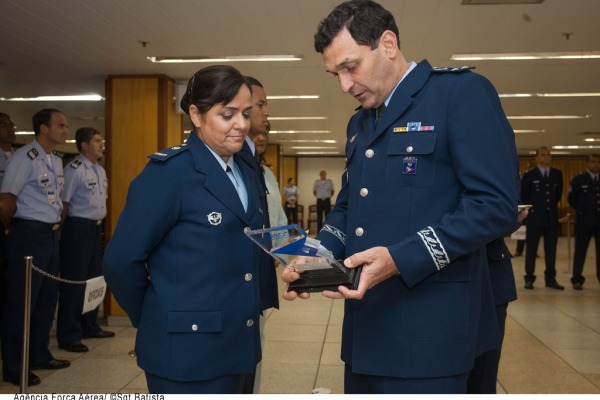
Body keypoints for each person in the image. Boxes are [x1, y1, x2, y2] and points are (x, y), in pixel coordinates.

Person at [282, 0, 518, 394]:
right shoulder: (360, 122)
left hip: (432, 329)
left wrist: (400, 259)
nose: (344, 85)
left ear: (387, 43)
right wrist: (318, 252)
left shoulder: (459, 94)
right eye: (334, 73)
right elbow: (348, 205)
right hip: (367, 325)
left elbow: (494, 206)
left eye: (350, 67)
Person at [102, 65, 264, 394]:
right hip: (187, 351)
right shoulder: (169, 173)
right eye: (227, 114)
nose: (242, 124)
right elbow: (120, 261)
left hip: (238, 342)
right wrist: (155, 314)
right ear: (196, 114)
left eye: (246, 113)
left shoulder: (244, 169)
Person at [0, 108, 71, 387]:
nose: (66, 130)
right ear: (44, 128)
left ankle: (39, 353)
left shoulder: (54, 160)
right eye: (61, 125)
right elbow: (6, 201)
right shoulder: (24, 158)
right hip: (28, 233)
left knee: (46, 299)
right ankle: (14, 365)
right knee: (21, 303)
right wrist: (12, 229)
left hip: (50, 235)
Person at [56, 127, 114, 354]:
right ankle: (69, 334)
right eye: (97, 141)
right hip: (77, 229)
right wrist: (59, 232)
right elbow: (64, 203)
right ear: (84, 145)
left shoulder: (99, 170)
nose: (101, 145)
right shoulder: (74, 170)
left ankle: (89, 324)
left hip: (95, 229)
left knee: (94, 280)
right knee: (75, 283)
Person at [246, 77, 284, 394]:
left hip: (260, 277)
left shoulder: (265, 174)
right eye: (261, 105)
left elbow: (280, 224)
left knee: (254, 351)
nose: (266, 113)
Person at [521, 146, 564, 290]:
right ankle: (529, 278)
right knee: (531, 249)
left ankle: (550, 278)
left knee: (551, 250)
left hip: (551, 218)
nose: (546, 157)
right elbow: (524, 196)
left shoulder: (557, 174)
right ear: (537, 157)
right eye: (543, 154)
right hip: (534, 218)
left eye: (548, 154)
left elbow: (558, 195)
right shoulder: (530, 175)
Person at [568, 154, 600, 290]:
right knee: (580, 251)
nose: (596, 164)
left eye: (598, 162)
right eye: (593, 162)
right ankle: (577, 279)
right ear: (587, 163)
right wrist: (581, 211)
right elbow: (572, 198)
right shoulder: (579, 179)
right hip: (584, 221)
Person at [0, 113, 16, 328]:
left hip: (14, 226)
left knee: (11, 285)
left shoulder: (18, 156)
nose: (11, 129)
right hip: (4, 224)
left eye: (12, 125)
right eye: (4, 126)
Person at [514, 162, 536, 256]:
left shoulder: (534, 178)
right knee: (521, 231)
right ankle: (519, 250)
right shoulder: (523, 179)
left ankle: (532, 251)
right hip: (523, 208)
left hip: (533, 210)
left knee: (532, 233)